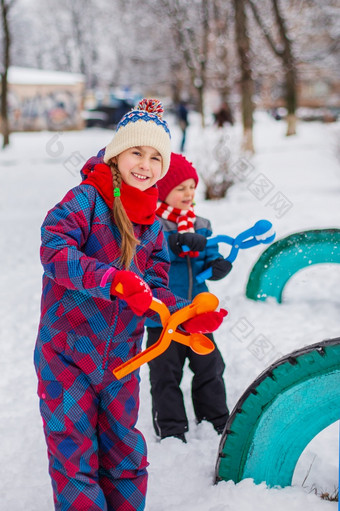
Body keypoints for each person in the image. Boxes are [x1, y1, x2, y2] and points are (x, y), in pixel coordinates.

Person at [34, 99, 227, 511]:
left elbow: (155, 286)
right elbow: (54, 249)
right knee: (74, 449)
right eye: (136, 151)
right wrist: (112, 280)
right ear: (116, 154)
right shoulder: (85, 201)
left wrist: (185, 315)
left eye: (156, 156)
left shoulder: (154, 226)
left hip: (122, 358)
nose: (145, 163)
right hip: (66, 352)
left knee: (124, 449)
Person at [146, 153, 232, 443]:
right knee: (165, 374)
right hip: (163, 316)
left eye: (192, 187)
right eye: (180, 188)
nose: (189, 193)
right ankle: (171, 429)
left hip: (198, 314)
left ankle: (215, 420)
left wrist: (218, 266)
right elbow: (147, 257)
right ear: (162, 190)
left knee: (210, 366)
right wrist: (176, 242)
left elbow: (208, 257)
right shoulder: (151, 225)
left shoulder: (201, 223)